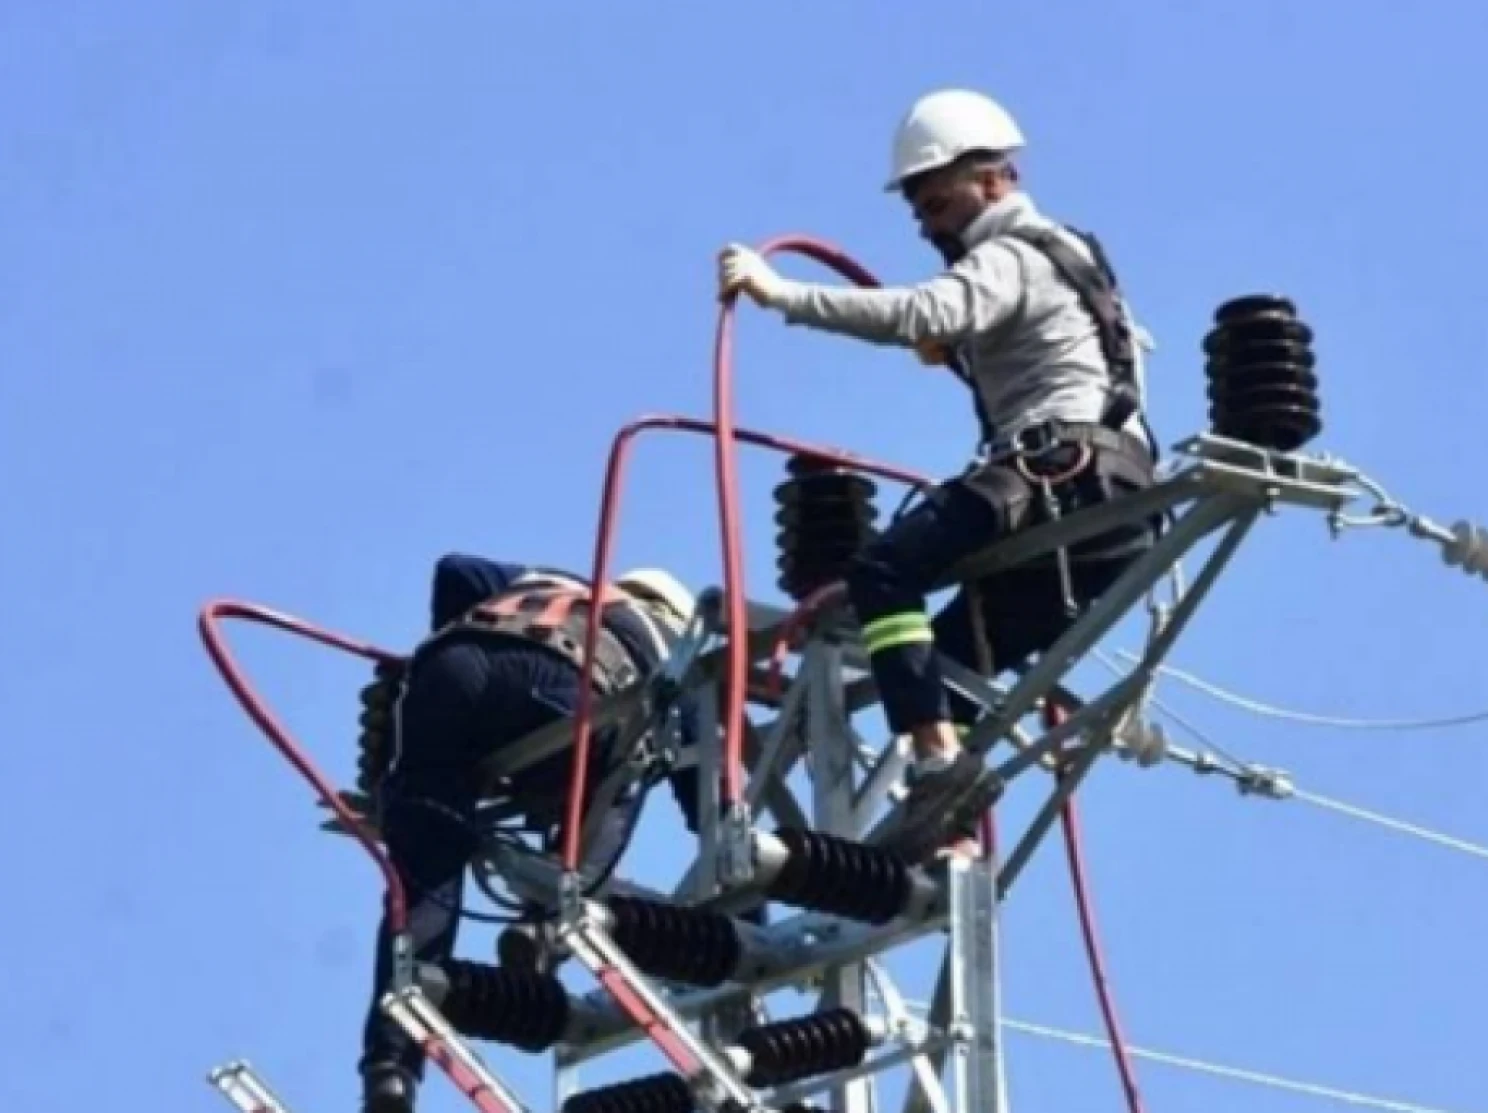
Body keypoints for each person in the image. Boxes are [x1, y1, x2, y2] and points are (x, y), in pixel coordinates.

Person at [716, 88, 1160, 866]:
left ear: (996, 178)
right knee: (945, 671)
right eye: (919, 211)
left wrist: (778, 293)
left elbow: (920, 313)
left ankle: (933, 765)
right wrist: (964, 346)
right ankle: (950, 838)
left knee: (884, 572)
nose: (928, 225)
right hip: (1117, 510)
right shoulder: (1076, 257)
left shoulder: (1009, 254)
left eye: (938, 202)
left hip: (1055, 476)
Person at [356, 553, 709, 1113]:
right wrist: (747, 914)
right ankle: (545, 925)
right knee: (637, 757)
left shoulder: (548, 583)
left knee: (423, 875)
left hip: (450, 669)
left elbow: (453, 570)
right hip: (568, 689)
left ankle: (391, 1068)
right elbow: (709, 800)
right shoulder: (675, 646)